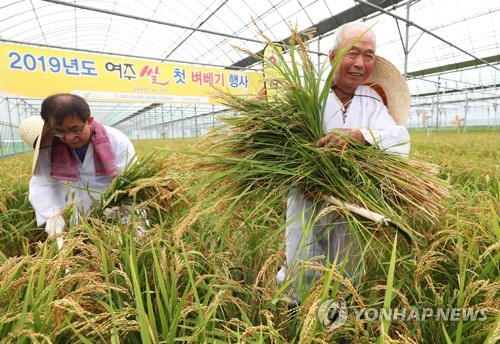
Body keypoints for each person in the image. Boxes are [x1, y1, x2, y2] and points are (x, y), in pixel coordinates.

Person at [276, 22, 411, 304]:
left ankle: (340, 316)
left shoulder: (371, 99)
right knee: (302, 253)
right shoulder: (308, 95)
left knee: (346, 260)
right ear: (333, 56)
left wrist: (360, 136)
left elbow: (399, 140)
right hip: (306, 195)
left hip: (352, 199)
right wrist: (302, 178)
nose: (359, 63)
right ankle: (297, 309)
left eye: (369, 55)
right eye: (352, 52)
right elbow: (281, 147)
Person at [18, 93, 136, 249]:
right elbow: (42, 184)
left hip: (117, 215)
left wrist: (124, 205)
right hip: (78, 216)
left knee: (126, 250)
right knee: (83, 253)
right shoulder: (51, 146)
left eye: (75, 129)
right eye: (60, 131)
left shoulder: (116, 140)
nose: (69, 138)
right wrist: (51, 215)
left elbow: (132, 181)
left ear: (89, 121)